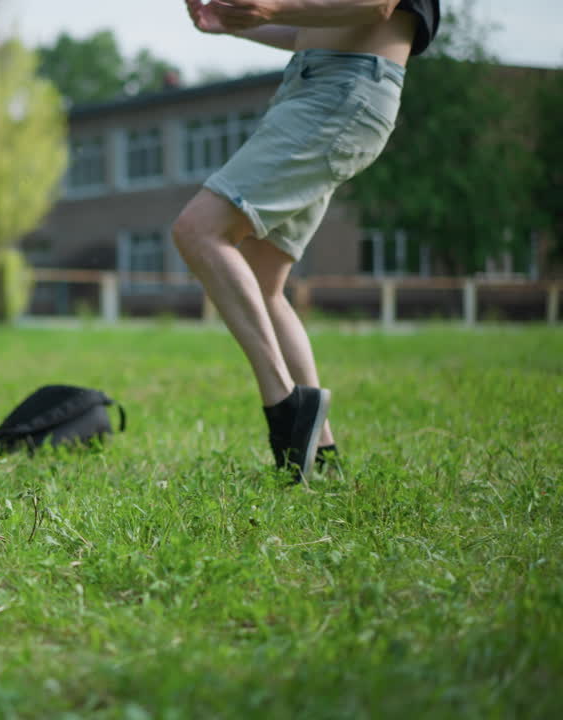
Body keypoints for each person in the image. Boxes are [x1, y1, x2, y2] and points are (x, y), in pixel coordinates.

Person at [174, 0, 440, 483]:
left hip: (344, 91)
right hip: (312, 87)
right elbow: (313, 28)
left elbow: (377, 6)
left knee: (199, 230)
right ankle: (322, 453)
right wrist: (238, 24)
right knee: (261, 283)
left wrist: (269, 6)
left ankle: (286, 407)